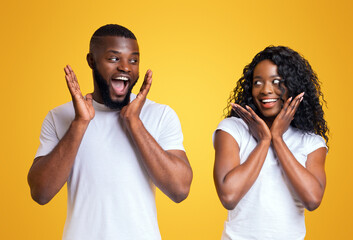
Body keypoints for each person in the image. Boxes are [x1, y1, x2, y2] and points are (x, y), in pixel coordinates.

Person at [28, 24, 193, 240]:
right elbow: (40, 193)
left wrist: (134, 122)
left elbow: (180, 190)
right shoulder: (59, 116)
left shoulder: (160, 115)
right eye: (114, 59)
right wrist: (79, 124)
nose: (125, 67)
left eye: (133, 60)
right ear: (91, 61)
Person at [213, 46, 329, 239]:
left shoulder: (311, 142)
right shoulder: (232, 129)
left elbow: (312, 199)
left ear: (294, 86)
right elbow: (229, 196)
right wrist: (264, 141)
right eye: (257, 82)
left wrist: (277, 138)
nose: (266, 90)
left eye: (277, 82)